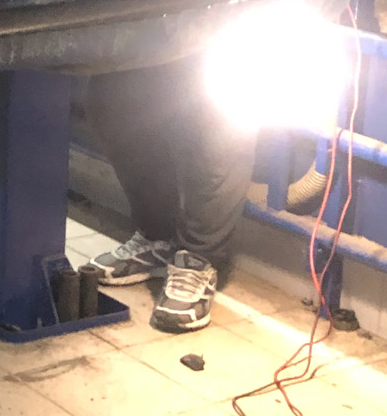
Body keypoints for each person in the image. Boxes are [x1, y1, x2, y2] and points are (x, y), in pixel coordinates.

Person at [83, 54, 258, 334]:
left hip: (226, 37)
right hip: (157, 35)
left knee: (217, 119)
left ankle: (199, 257)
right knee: (112, 98)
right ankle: (158, 236)